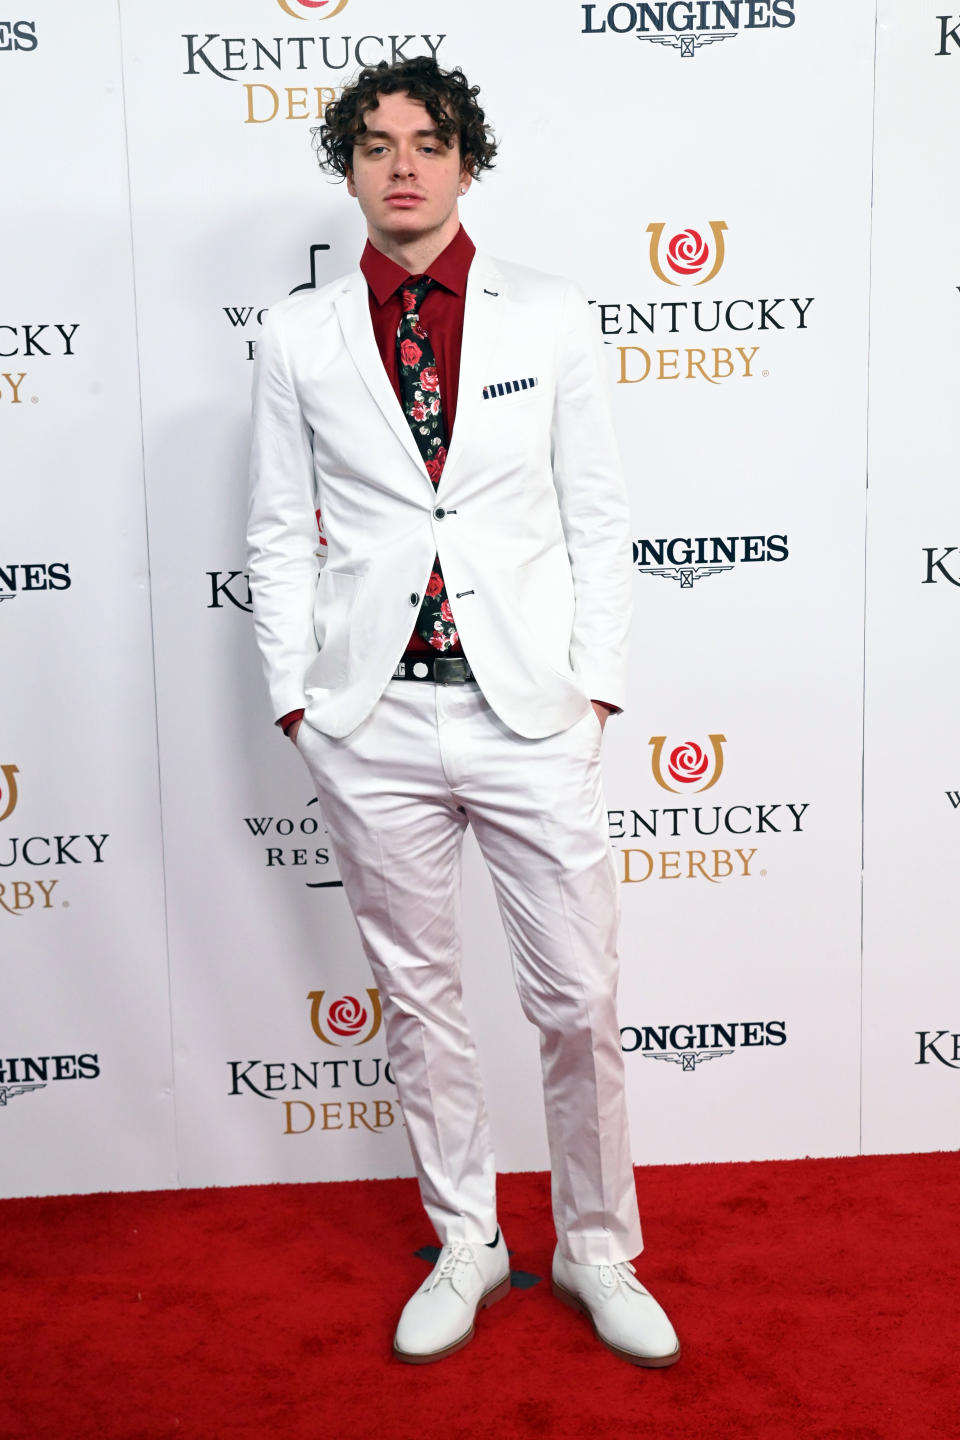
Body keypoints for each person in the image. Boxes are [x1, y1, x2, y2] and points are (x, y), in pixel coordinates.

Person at [247, 56, 679, 1369]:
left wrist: (593, 689)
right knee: (419, 999)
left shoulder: (551, 317)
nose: (402, 166)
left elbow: (599, 521)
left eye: (426, 142)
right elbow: (277, 534)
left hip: (529, 716)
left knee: (579, 998)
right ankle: (469, 1238)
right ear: (349, 169)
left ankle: (598, 1247)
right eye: (375, 146)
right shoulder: (297, 332)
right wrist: (296, 704)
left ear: (465, 160)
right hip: (371, 719)